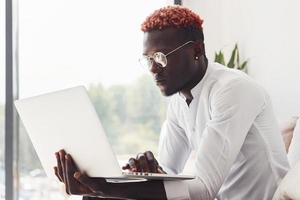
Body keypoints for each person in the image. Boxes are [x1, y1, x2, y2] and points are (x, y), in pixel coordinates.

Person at [54, 5, 290, 199]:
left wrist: (107, 188)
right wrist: (146, 174)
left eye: (161, 57)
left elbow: (202, 190)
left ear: (197, 50)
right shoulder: (179, 100)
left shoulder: (232, 90)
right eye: (148, 59)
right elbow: (170, 173)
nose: (153, 69)